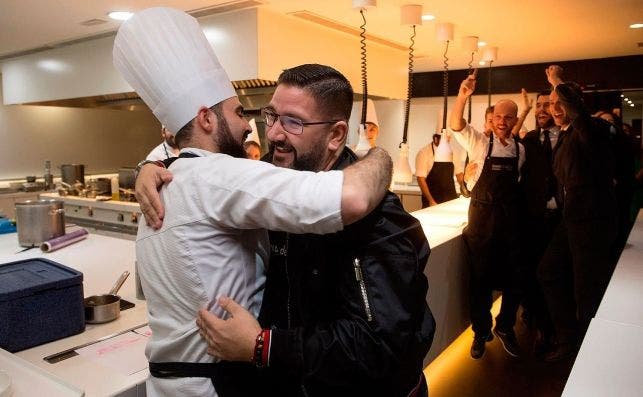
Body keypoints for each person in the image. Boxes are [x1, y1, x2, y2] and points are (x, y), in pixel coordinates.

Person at [114, 9, 393, 397]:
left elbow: (382, 343)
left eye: (291, 121)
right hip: (217, 384)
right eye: (250, 113)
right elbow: (354, 195)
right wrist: (381, 156)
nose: (258, 129)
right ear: (206, 120)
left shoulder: (169, 181)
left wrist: (153, 162)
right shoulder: (222, 177)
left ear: (336, 135)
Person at [140, 64, 435, 396]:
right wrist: (157, 167)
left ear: (336, 135)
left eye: (294, 122)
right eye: (273, 116)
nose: (275, 133)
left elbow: (375, 346)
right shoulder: (273, 176)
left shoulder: (378, 218)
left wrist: (262, 346)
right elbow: (212, 166)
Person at [537, 65, 617, 362]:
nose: (554, 109)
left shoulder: (591, 128)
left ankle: (590, 353)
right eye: (550, 103)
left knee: (587, 289)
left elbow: (580, 116)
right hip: (571, 220)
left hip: (592, 222)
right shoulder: (567, 135)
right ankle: (570, 337)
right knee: (548, 272)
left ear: (573, 101)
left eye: (559, 102)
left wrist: (556, 81)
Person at [449, 69, 526, 360]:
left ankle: (506, 325)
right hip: (481, 223)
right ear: (491, 120)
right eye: (498, 118)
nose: (503, 122)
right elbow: (456, 125)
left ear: (516, 119)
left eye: (509, 117)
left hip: (510, 223)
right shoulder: (481, 143)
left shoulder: (521, 150)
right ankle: (481, 332)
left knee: (515, 278)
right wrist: (462, 96)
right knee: (479, 282)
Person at [518, 91, 559, 354]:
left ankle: (553, 328)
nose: (542, 110)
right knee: (531, 271)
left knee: (554, 274)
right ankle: (538, 319)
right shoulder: (530, 139)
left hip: (561, 218)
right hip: (532, 218)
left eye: (548, 105)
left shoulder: (568, 137)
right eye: (539, 106)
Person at [415, 131, 465, 207]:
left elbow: (459, 174)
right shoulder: (423, 153)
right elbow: (421, 179)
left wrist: (465, 189)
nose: (447, 141)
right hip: (432, 200)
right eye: (444, 139)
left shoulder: (452, 151)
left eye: (448, 139)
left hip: (450, 199)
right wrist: (431, 200)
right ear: (435, 139)